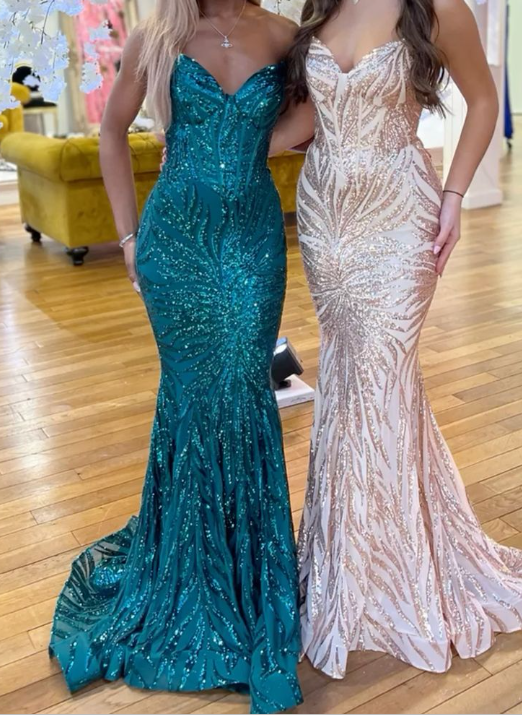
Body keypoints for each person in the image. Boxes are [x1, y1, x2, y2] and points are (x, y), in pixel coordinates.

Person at [48, 1, 303, 712]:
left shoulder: (285, 35)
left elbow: (318, 115)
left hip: (252, 248)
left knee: (244, 392)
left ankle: (247, 579)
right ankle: (188, 571)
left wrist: (253, 140)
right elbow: (110, 130)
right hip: (176, 246)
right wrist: (129, 238)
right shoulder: (157, 37)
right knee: (192, 399)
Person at [270, 0, 522, 678]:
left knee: (384, 378)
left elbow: (483, 98)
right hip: (327, 219)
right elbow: (309, 119)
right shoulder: (321, 8)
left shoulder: (437, 8)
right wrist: (219, 139)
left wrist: (455, 196)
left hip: (401, 213)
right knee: (347, 381)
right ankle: (346, 563)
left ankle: (398, 571)